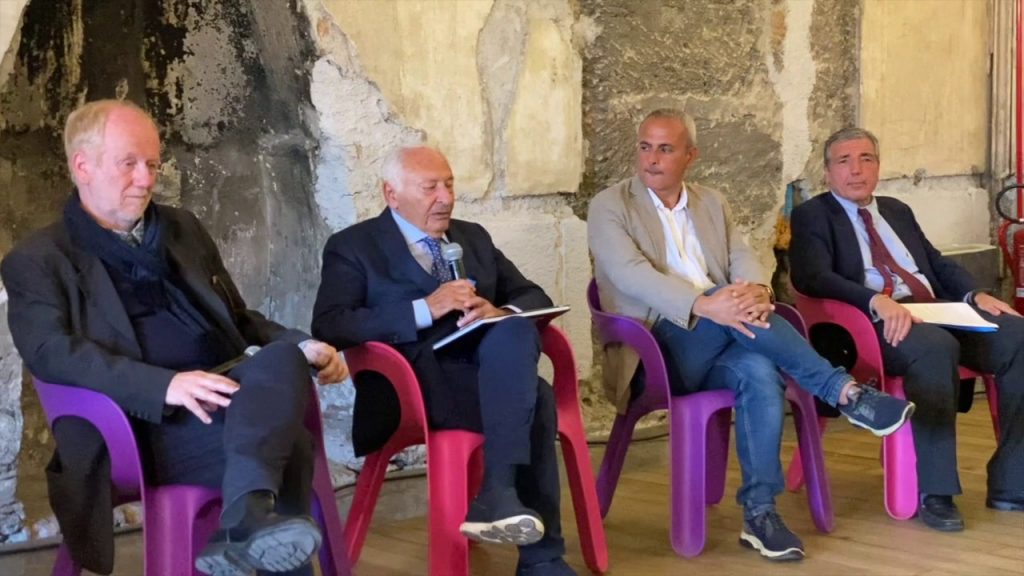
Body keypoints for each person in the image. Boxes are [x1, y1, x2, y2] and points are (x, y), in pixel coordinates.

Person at [1, 99, 349, 576]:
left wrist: (303, 344)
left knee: (285, 357)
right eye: (129, 164)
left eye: (152, 163)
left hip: (228, 394)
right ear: (82, 166)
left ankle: (243, 524)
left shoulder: (181, 228)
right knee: (292, 445)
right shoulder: (39, 259)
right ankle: (246, 522)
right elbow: (50, 354)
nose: (146, 179)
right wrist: (165, 385)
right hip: (140, 425)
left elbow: (237, 319)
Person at [587, 109, 915, 561]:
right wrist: (706, 303)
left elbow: (741, 256)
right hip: (659, 347)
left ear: (690, 155)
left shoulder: (710, 202)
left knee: (759, 372)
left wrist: (758, 290)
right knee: (730, 307)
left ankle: (760, 514)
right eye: (645, 147)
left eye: (665, 149)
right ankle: (844, 392)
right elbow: (629, 274)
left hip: (728, 333)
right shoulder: (610, 205)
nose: (651, 159)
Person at [311, 145, 574, 576]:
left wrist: (498, 311)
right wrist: (424, 308)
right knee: (537, 397)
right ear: (392, 194)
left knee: (514, 332)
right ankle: (538, 554)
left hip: (487, 372)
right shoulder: (354, 246)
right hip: (411, 383)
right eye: (430, 187)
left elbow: (532, 295)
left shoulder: (472, 237)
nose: (446, 198)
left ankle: (500, 497)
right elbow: (331, 323)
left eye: (449, 185)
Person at [789, 127, 1024, 531]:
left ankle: (1012, 480)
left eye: (865, 159)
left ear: (878, 167)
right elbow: (813, 277)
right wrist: (874, 300)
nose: (856, 170)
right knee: (934, 347)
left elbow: (936, 263)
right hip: (870, 324)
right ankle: (935, 490)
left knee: (1017, 336)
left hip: (933, 310)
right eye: (844, 161)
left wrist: (976, 294)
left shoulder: (896, 210)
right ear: (827, 172)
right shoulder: (813, 215)